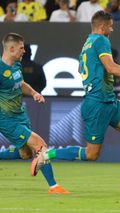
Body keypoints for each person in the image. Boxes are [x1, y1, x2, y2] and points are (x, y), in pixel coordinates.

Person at [31, 10, 120, 195]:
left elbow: (93, 68)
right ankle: (45, 155)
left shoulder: (87, 44)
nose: (112, 29)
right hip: (97, 103)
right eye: (111, 26)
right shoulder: (100, 40)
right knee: (91, 154)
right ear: (103, 26)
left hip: (107, 100)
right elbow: (110, 67)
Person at [0, 32, 68, 194]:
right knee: (40, 145)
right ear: (11, 49)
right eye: (21, 48)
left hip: (20, 114)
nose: (24, 51)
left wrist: (34, 93)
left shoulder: (16, 65)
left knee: (26, 154)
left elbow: (21, 83)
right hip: (6, 119)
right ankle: (54, 186)